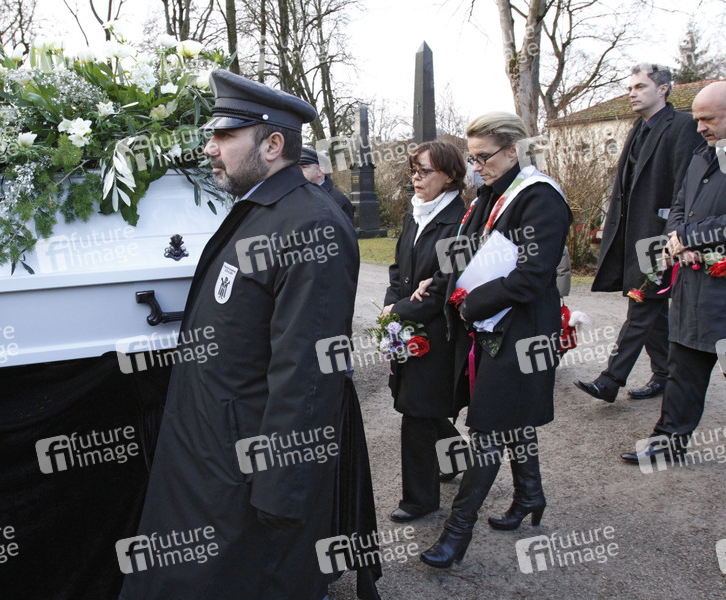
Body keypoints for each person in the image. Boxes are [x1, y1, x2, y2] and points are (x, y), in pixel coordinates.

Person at [119, 70, 374, 600]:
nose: (210, 148)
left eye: (225, 135)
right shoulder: (262, 211)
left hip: (246, 482)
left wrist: (281, 494)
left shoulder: (311, 226)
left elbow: (307, 374)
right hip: (208, 459)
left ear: (273, 145)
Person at [412, 112, 572, 568]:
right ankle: (530, 495)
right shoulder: (490, 193)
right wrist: (438, 283)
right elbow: (467, 253)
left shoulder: (540, 197)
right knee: (510, 417)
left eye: (483, 157)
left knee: (487, 429)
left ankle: (456, 535)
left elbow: (532, 276)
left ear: (514, 150)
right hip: (490, 324)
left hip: (523, 330)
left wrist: (471, 304)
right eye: (473, 158)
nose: (476, 166)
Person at [621, 81, 726, 469]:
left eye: (707, 119)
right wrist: (677, 236)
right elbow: (680, 205)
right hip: (692, 283)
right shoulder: (703, 154)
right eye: (697, 119)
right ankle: (667, 444)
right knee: (683, 368)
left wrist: (692, 237)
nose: (699, 127)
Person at [575, 64, 703, 403]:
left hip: (660, 238)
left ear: (663, 89)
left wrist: (674, 235)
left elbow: (685, 187)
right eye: (630, 87)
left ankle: (610, 380)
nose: (632, 93)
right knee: (653, 310)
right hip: (631, 236)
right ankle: (666, 375)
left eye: (640, 87)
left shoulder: (684, 126)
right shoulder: (638, 128)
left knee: (642, 303)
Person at [380, 140, 468, 523]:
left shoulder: (460, 221)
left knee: (416, 410)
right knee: (421, 405)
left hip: (439, 334)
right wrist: (391, 307)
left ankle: (420, 500)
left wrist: (397, 312)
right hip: (407, 326)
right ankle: (458, 458)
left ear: (449, 175)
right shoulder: (413, 214)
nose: (416, 178)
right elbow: (398, 271)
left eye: (425, 171)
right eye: (413, 170)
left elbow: (446, 287)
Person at [298, 146, 356, 223]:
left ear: (320, 171)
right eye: (297, 168)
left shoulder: (339, 200)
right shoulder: (297, 195)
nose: (298, 172)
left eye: (304, 167)